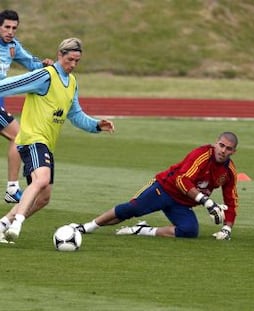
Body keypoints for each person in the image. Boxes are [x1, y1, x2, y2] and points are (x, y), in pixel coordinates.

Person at [0, 37, 115, 243]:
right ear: (59, 55)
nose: (73, 65)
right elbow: (10, 84)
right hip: (32, 139)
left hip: (46, 144)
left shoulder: (72, 83)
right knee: (41, 180)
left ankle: (3, 224)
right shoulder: (45, 75)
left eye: (77, 61)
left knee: (44, 198)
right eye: (70, 59)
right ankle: (16, 223)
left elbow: (76, 115)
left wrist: (96, 125)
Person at [71, 132, 239, 241]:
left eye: (228, 149)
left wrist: (227, 228)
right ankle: (86, 227)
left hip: (182, 204)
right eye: (221, 145)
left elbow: (231, 200)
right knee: (130, 210)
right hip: (164, 189)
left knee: (189, 231)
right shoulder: (202, 155)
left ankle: (142, 230)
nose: (223, 150)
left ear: (233, 152)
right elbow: (182, 180)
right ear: (215, 144)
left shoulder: (229, 171)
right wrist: (207, 202)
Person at [0, 9, 54, 203]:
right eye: (7, 27)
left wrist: (46, 65)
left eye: (14, 28)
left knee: (19, 137)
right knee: (19, 136)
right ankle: (13, 189)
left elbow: (32, 64)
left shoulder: (13, 46)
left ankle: (13, 188)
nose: (11, 31)